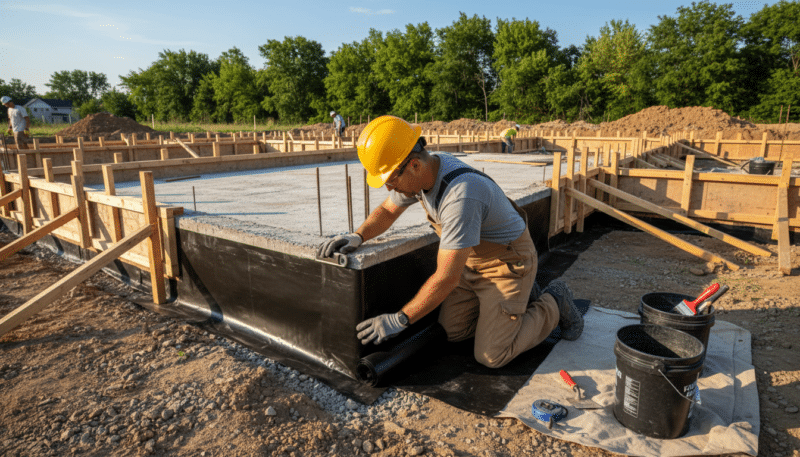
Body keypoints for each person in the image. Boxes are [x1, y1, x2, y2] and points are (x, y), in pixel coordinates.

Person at [318, 115, 583, 368]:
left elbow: (446, 278)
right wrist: (358, 235)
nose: (389, 188)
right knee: (454, 332)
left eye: (390, 179)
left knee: (492, 354)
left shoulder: (459, 196)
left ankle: (553, 302)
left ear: (413, 165)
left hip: (507, 262)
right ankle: (515, 304)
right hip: (470, 263)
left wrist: (399, 319)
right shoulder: (425, 173)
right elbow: (387, 211)